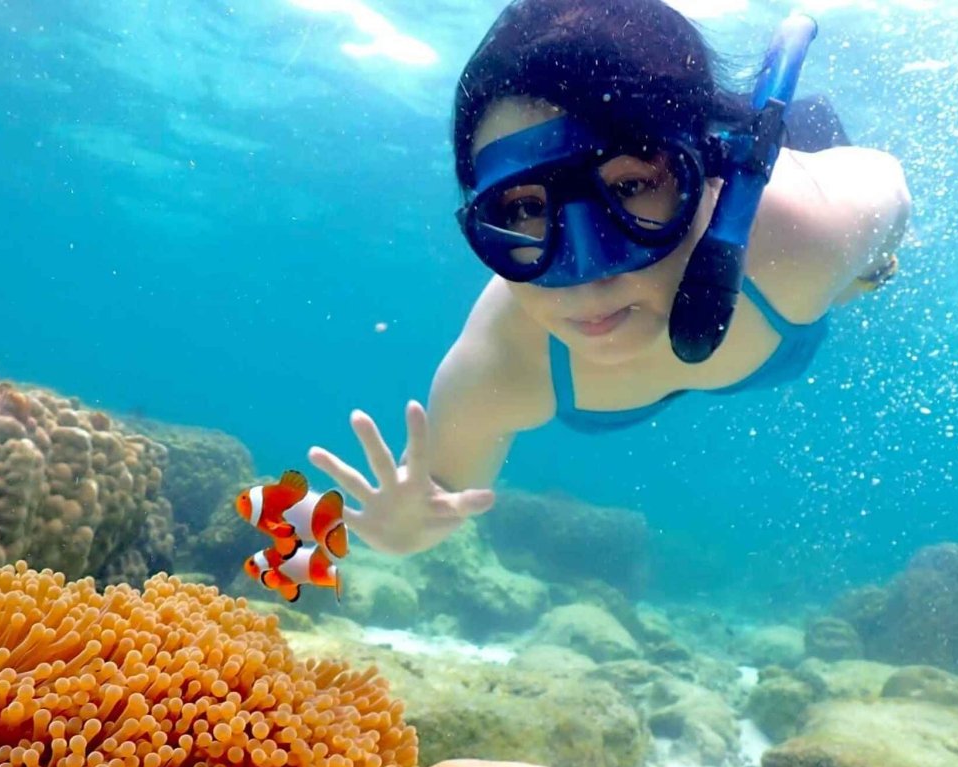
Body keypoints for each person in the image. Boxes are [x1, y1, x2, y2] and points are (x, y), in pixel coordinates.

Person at [308, 0, 912, 556]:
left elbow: (889, 184)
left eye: (629, 186)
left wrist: (872, 267)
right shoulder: (506, 360)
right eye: (521, 209)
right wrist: (403, 531)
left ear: (711, 172)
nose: (583, 281)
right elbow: (439, 496)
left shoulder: (807, 237)